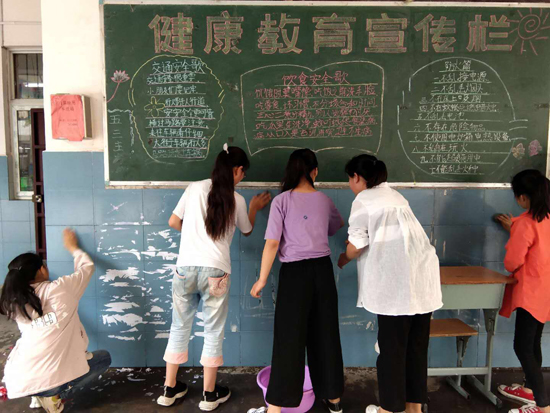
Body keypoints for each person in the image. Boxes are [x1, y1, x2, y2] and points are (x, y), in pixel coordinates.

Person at [158, 144, 271, 410]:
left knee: (179, 326)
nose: (243, 177)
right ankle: (209, 395)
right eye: (243, 173)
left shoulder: (194, 188)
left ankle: (169, 389)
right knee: (213, 331)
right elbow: (246, 230)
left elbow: (173, 222)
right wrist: (254, 207)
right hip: (216, 272)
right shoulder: (237, 199)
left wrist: (193, 234)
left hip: (185, 269)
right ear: (237, 170)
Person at [337, 154, 442, 413]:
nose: (350, 184)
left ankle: (389, 409)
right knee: (416, 349)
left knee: (392, 351)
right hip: (422, 278)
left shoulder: (364, 199)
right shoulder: (396, 196)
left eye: (350, 179)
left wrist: (343, 258)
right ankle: (413, 408)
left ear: (357, 177)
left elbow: (356, 245)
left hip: (396, 285)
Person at [248, 149, 345, 413]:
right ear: (315, 171)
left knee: (288, 339)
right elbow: (336, 225)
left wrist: (261, 279)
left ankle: (275, 408)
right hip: (322, 272)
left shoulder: (282, 201)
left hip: (294, 275)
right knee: (325, 334)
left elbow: (272, 243)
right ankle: (334, 400)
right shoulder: (324, 200)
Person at [1, 229, 111, 413]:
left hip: (18, 378)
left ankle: (37, 394)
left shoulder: (14, 302)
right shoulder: (60, 289)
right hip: (48, 378)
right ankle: (53, 395)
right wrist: (73, 248)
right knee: (103, 358)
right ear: (42, 269)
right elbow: (87, 268)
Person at [494, 169, 550, 413]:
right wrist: (514, 228)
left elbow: (512, 262)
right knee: (534, 341)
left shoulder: (526, 223)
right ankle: (529, 390)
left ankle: (543, 405)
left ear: (523, 197)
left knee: (523, 346)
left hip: (530, 292)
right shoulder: (545, 218)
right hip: (545, 290)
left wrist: (515, 230)